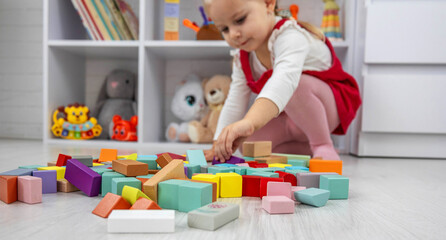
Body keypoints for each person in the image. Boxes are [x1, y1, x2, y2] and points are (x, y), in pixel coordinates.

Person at [203, 0, 361, 162]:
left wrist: (250, 122)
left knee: (296, 86)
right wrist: (218, 144)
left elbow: (283, 81)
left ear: (268, 4)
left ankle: (322, 144)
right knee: (248, 145)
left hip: (328, 108)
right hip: (289, 118)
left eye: (240, 20)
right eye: (225, 29)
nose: (234, 33)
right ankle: (308, 149)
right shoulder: (243, 57)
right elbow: (235, 100)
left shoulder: (290, 36)